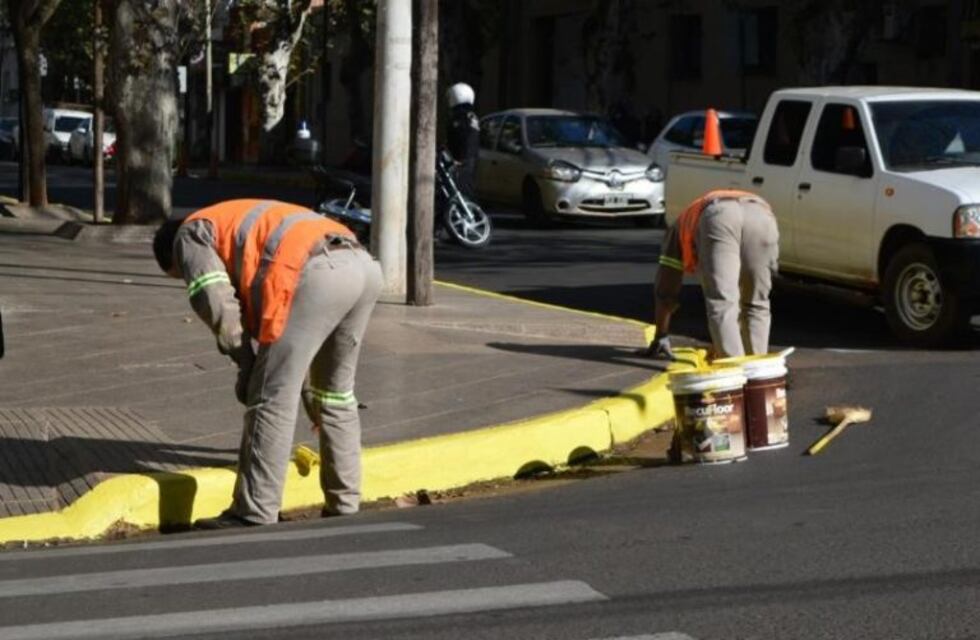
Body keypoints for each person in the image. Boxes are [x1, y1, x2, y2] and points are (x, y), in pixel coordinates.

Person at [153, 199, 383, 529]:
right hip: (362, 266)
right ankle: (344, 504)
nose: (186, 278)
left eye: (181, 275)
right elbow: (295, 353)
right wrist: (305, 400)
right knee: (334, 394)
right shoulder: (236, 224)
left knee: (271, 398)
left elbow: (218, 305)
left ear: (174, 257)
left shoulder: (190, 235)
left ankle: (254, 511)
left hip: (315, 273)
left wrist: (248, 371)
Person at [647, 189, 779, 360]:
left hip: (719, 216)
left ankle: (734, 372)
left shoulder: (677, 228)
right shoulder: (691, 216)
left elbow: (665, 289)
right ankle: (758, 374)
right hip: (761, 214)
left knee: (722, 303)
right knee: (757, 302)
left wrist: (661, 336)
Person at [445, 82, 480, 197]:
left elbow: (457, 141)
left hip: (461, 162)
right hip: (471, 161)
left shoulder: (459, 119)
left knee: (459, 193)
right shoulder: (472, 116)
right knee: (467, 192)